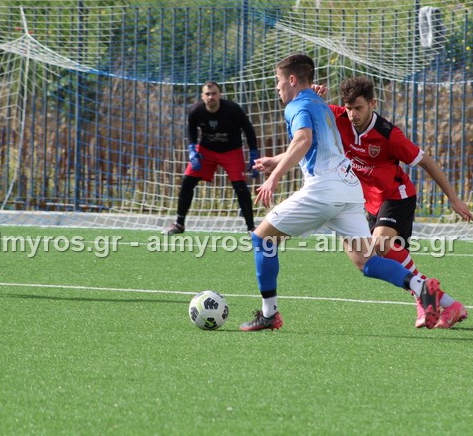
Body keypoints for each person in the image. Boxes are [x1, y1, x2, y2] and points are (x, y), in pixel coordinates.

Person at [241, 53, 445, 331]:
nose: (277, 87)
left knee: (262, 239)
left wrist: (274, 178)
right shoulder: (320, 104)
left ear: (292, 80)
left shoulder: (297, 105)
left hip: (323, 190)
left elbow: (303, 140)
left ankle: (269, 314)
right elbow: (315, 143)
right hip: (349, 189)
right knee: (366, 261)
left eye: (278, 80)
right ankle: (422, 287)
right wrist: (275, 161)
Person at [323, 76, 473, 329]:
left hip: (397, 196)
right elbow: (307, 108)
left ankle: (423, 297)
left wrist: (454, 199)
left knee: (380, 244)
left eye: (358, 108)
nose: (352, 114)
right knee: (375, 258)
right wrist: (313, 95)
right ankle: (449, 304)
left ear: (372, 103)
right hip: (370, 203)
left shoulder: (389, 135)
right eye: (348, 108)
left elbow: (427, 162)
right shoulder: (338, 117)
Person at [164, 81, 259, 235]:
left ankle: (251, 228)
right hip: (206, 151)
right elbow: (191, 130)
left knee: (240, 187)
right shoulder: (195, 111)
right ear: (202, 96)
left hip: (231, 151)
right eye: (207, 94)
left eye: (214, 93)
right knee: (187, 181)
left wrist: (254, 152)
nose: (211, 97)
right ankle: (179, 224)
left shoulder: (233, 109)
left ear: (219, 95)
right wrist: (192, 149)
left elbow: (248, 129)